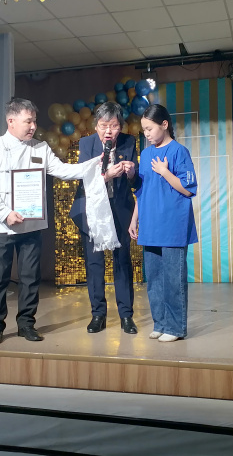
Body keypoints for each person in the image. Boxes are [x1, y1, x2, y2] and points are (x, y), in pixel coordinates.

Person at [0, 98, 96, 345]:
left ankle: (26, 324)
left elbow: (63, 170)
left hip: (31, 225)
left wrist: (96, 166)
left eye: (34, 121)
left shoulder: (40, 148)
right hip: (1, 225)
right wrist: (5, 213)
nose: (33, 126)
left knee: (30, 278)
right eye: (28, 121)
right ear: (11, 121)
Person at [129, 104, 197, 342]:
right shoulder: (146, 154)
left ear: (164, 124)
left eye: (149, 128)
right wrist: (135, 218)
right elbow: (142, 191)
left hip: (172, 225)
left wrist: (165, 172)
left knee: (173, 279)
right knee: (154, 279)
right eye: (144, 130)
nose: (146, 134)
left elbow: (188, 189)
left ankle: (176, 328)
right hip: (151, 224)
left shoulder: (179, 151)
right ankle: (160, 323)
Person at [69, 102, 139, 334]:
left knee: (122, 262)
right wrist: (106, 176)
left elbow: (136, 181)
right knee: (94, 263)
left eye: (114, 126)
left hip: (120, 210)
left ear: (121, 126)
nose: (108, 131)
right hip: (92, 211)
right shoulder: (86, 144)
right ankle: (98, 314)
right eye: (103, 126)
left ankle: (126, 316)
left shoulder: (129, 142)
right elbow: (82, 178)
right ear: (96, 126)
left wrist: (131, 172)